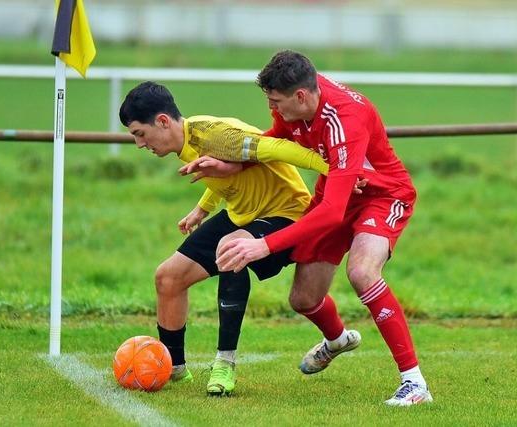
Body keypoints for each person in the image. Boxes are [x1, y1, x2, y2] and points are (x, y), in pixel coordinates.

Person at [215, 50, 433, 406]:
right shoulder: (289, 106)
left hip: (382, 195)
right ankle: (337, 340)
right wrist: (229, 166)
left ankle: (415, 384)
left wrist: (263, 245)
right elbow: (274, 142)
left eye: (277, 101)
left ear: (301, 96)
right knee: (303, 299)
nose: (273, 108)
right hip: (337, 194)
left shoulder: (345, 118)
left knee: (362, 272)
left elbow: (331, 213)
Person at [119, 81, 333, 396]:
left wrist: (335, 170)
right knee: (168, 278)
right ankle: (172, 368)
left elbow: (277, 148)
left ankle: (225, 364)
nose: (139, 144)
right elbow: (228, 177)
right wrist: (201, 210)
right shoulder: (189, 142)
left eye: (140, 133)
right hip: (243, 214)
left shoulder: (217, 135)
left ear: (163, 122)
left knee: (230, 249)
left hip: (287, 213)